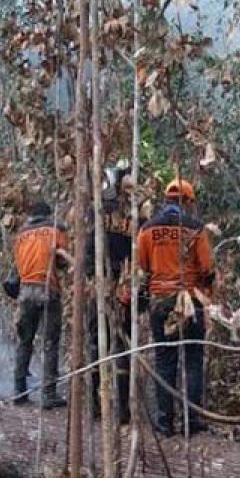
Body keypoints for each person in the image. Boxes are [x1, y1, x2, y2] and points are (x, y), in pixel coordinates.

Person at [137, 178, 216, 436]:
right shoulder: (195, 228)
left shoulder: (147, 229)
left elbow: (143, 268)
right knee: (193, 360)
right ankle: (192, 420)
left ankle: (164, 422)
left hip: (160, 301)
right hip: (190, 300)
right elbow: (207, 268)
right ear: (188, 202)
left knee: (164, 362)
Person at [11, 200, 69, 409]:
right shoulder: (56, 229)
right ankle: (48, 394)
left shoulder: (20, 236)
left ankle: (19, 392)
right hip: (47, 289)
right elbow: (62, 261)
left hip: (25, 291)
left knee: (24, 341)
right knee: (50, 343)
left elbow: (17, 268)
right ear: (48, 214)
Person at [87, 163, 134, 423]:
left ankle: (96, 404)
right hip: (123, 288)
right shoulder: (133, 215)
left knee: (96, 345)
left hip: (100, 286)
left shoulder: (94, 213)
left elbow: (86, 250)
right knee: (123, 348)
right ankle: (122, 409)